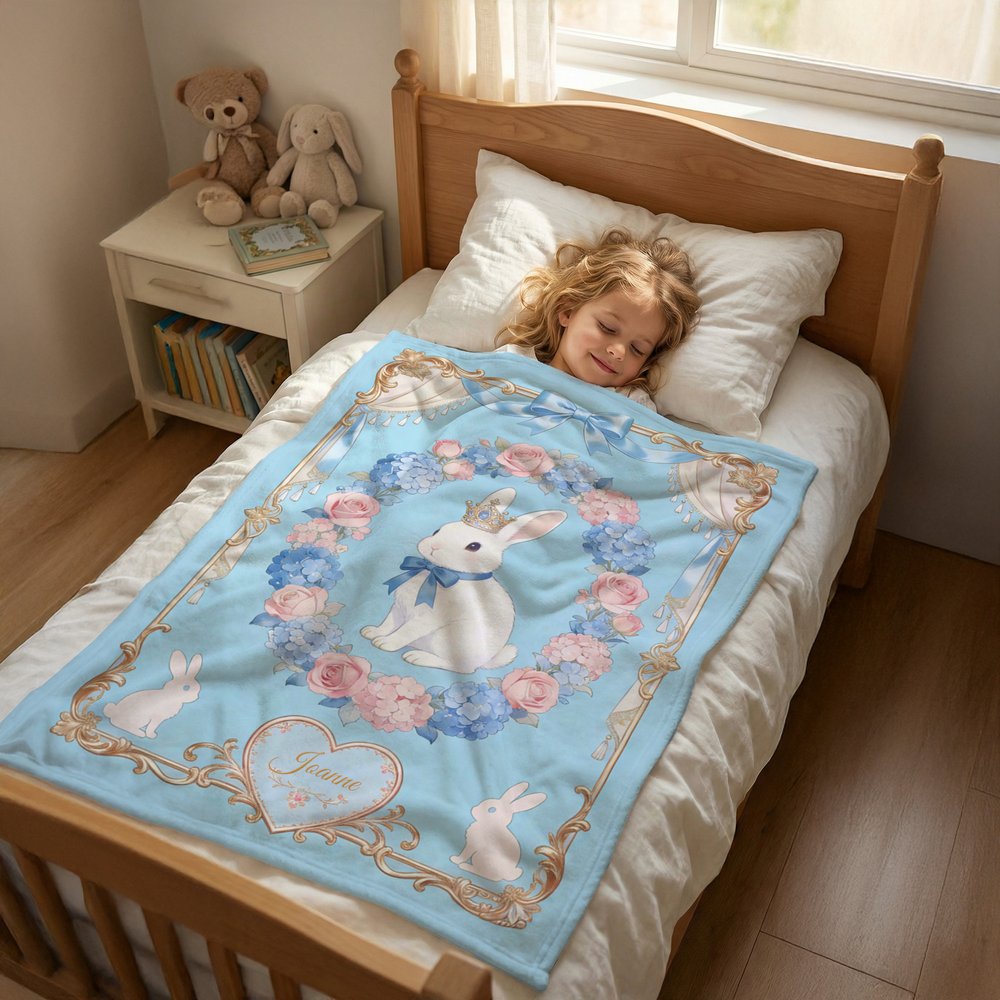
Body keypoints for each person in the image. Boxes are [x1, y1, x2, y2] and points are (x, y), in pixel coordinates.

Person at [496, 228, 701, 410]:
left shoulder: (631, 404)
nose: (618, 352)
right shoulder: (510, 364)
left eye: (637, 349)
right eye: (607, 328)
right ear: (567, 310)